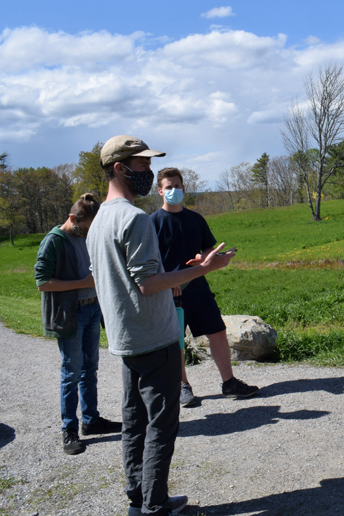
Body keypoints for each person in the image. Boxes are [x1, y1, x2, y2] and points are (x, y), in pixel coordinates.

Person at [87, 135, 235, 516]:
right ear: (120, 168)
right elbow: (147, 283)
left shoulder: (98, 219)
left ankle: (138, 495)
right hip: (153, 337)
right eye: (141, 166)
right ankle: (155, 506)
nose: (148, 172)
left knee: (134, 421)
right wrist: (203, 269)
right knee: (161, 425)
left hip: (124, 338)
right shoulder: (134, 218)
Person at [151, 167, 258, 407]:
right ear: (160, 191)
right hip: (170, 292)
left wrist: (209, 258)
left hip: (198, 286)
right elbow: (150, 261)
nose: (174, 191)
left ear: (184, 188)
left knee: (217, 331)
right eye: (169, 187)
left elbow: (208, 248)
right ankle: (182, 386)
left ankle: (229, 383)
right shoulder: (152, 223)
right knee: (176, 341)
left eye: (177, 186)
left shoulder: (195, 219)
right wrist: (170, 281)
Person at [34, 193, 121, 455]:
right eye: (85, 227)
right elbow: (42, 282)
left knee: (90, 368)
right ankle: (69, 429)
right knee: (71, 372)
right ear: (73, 219)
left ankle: (91, 421)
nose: (88, 233)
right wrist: (83, 283)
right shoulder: (53, 241)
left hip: (93, 309)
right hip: (71, 313)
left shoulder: (86, 236)